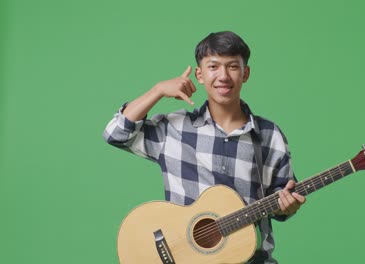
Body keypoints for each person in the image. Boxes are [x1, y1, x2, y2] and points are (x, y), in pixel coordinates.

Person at [103, 31, 306, 263]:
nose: (223, 76)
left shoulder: (269, 134)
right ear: (199, 74)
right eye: (213, 66)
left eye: (232, 66)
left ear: (245, 73)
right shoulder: (173, 129)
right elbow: (115, 133)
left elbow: (282, 200)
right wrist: (157, 90)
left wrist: (287, 207)